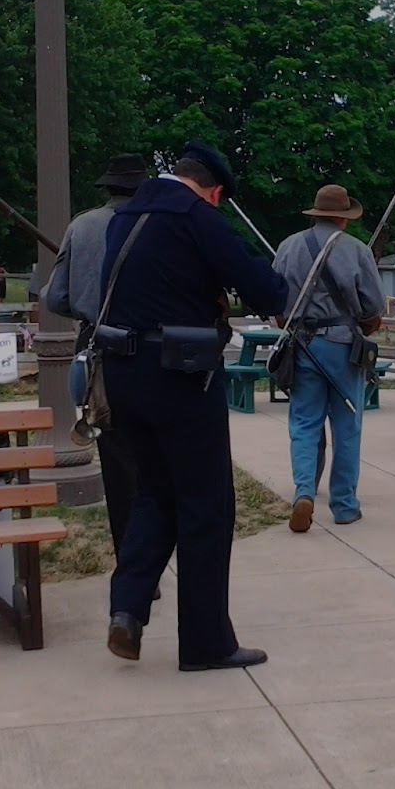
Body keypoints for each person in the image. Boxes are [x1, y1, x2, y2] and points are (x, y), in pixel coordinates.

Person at [102, 142, 288, 671]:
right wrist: (277, 280)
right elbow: (264, 290)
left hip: (123, 372)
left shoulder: (127, 215)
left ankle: (127, 610)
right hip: (180, 377)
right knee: (207, 506)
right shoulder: (195, 216)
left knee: (155, 494)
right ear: (214, 191)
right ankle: (206, 643)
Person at [41, 153, 149, 556]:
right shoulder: (161, 224)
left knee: (119, 465)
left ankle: (132, 560)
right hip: (157, 355)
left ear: (108, 187)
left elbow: (57, 297)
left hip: (101, 352)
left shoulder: (82, 225)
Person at [271, 184, 386, 531]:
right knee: (347, 426)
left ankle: (304, 492)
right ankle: (345, 506)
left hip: (301, 345)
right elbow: (375, 309)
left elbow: (276, 304)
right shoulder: (357, 250)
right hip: (342, 347)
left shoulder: (288, 246)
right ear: (344, 217)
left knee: (304, 424)